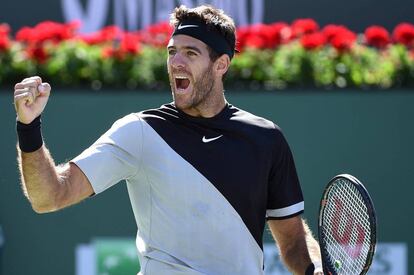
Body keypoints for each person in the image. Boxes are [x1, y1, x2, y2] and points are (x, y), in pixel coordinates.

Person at [14, 5, 323, 275]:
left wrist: (315, 269)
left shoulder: (265, 139)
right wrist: (28, 127)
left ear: (221, 65)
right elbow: (50, 196)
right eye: (172, 51)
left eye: (191, 53)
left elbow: (294, 241)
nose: (176, 62)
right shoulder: (139, 132)